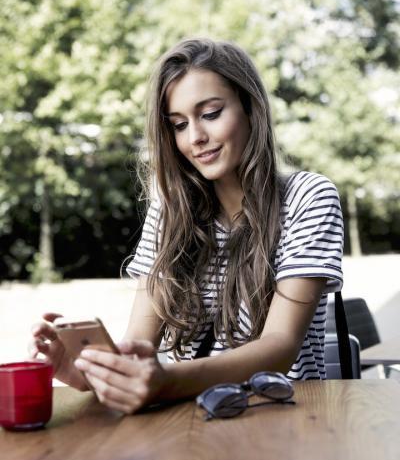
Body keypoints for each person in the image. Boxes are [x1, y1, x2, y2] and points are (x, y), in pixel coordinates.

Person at [30, 38, 344, 414]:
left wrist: (167, 382)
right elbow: (137, 344)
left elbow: (280, 346)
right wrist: (86, 372)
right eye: (179, 124)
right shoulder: (170, 209)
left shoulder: (308, 197)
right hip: (189, 427)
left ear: (250, 109)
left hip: (284, 424)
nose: (195, 137)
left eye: (210, 113)